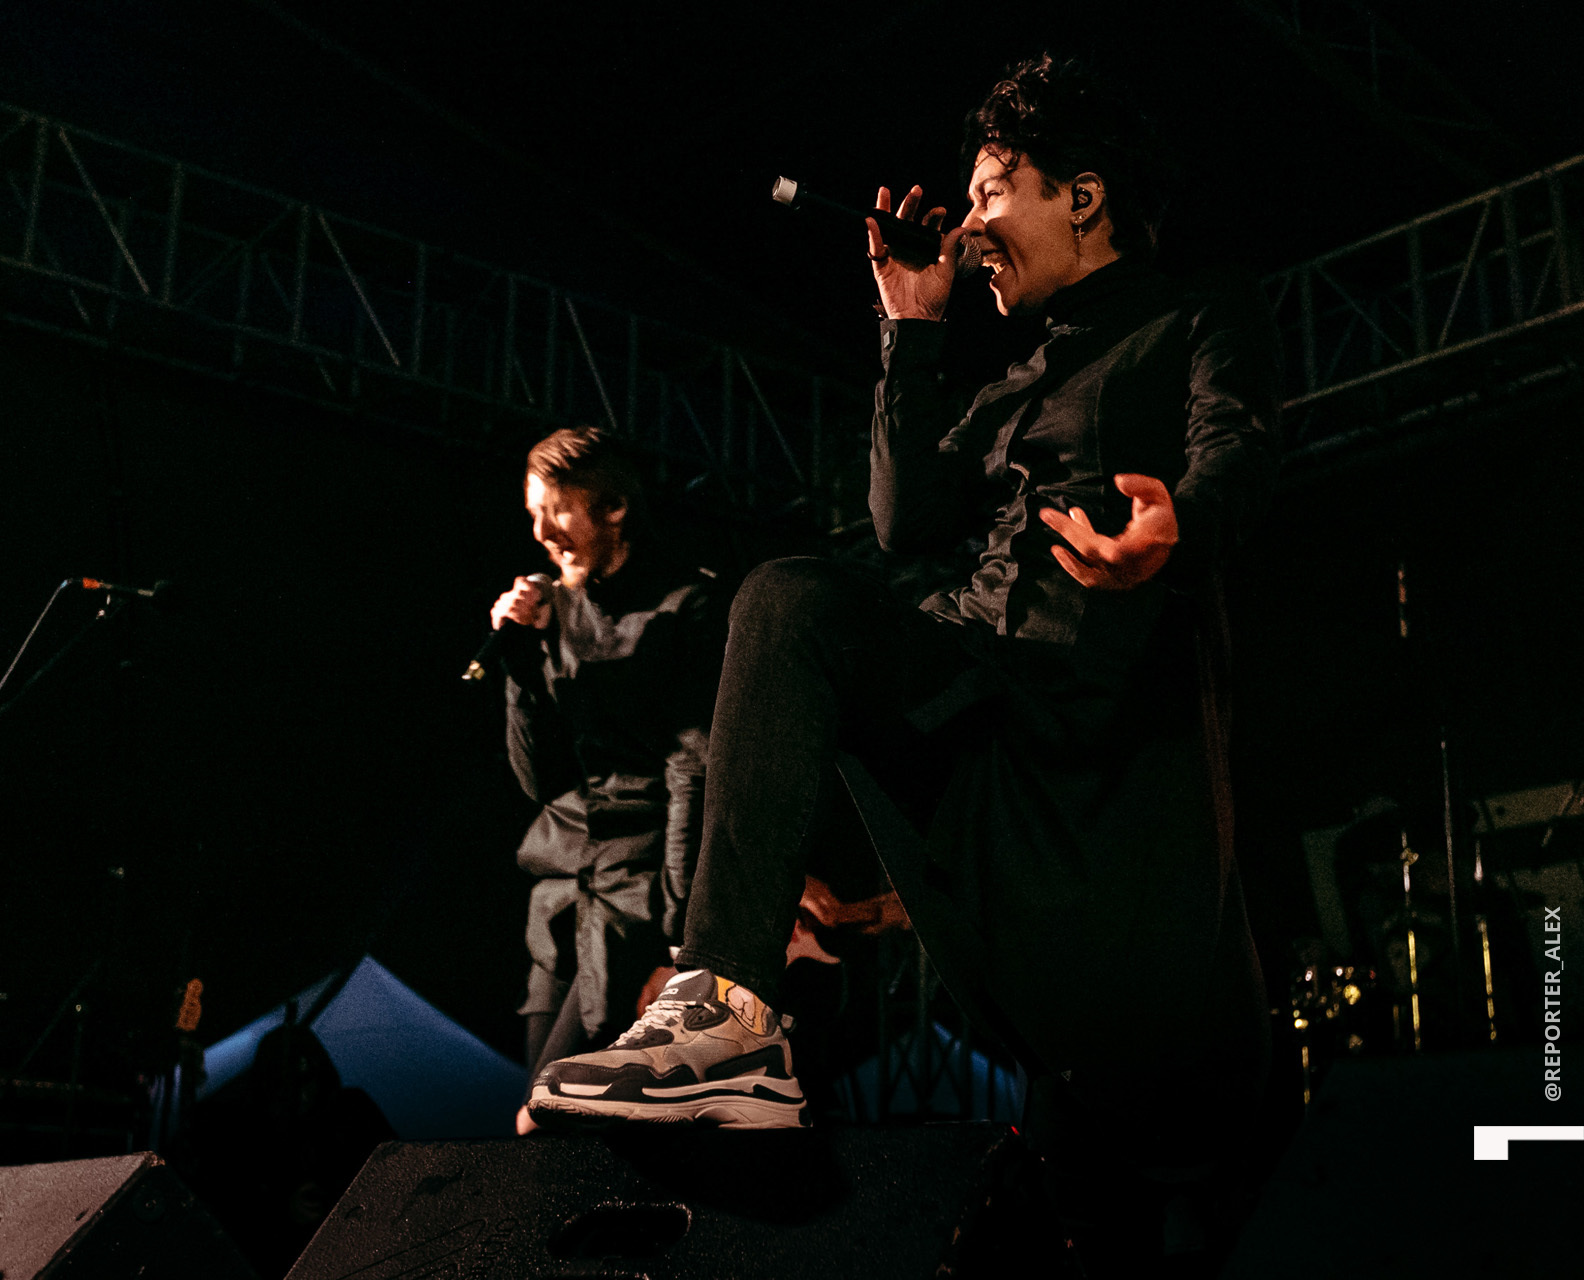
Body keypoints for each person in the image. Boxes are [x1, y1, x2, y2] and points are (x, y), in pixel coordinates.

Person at [529, 55, 1280, 1269]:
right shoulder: (1009, 380)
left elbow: (1237, 442)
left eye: (991, 191)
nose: (970, 225)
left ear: (1082, 196)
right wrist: (912, 328)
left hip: (1096, 766)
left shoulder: (1193, 315)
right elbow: (902, 523)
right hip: (977, 721)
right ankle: (725, 1013)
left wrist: (1176, 524)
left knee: (1120, 1191)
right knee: (791, 601)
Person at [491, 427, 727, 1116]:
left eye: (557, 512)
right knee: (541, 1119)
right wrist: (521, 671)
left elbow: (692, 774)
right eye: (533, 514)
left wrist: (679, 938)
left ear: (614, 508)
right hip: (562, 894)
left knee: (549, 1115)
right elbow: (539, 782)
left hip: (639, 898)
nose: (541, 534)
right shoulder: (555, 612)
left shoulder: (688, 606)